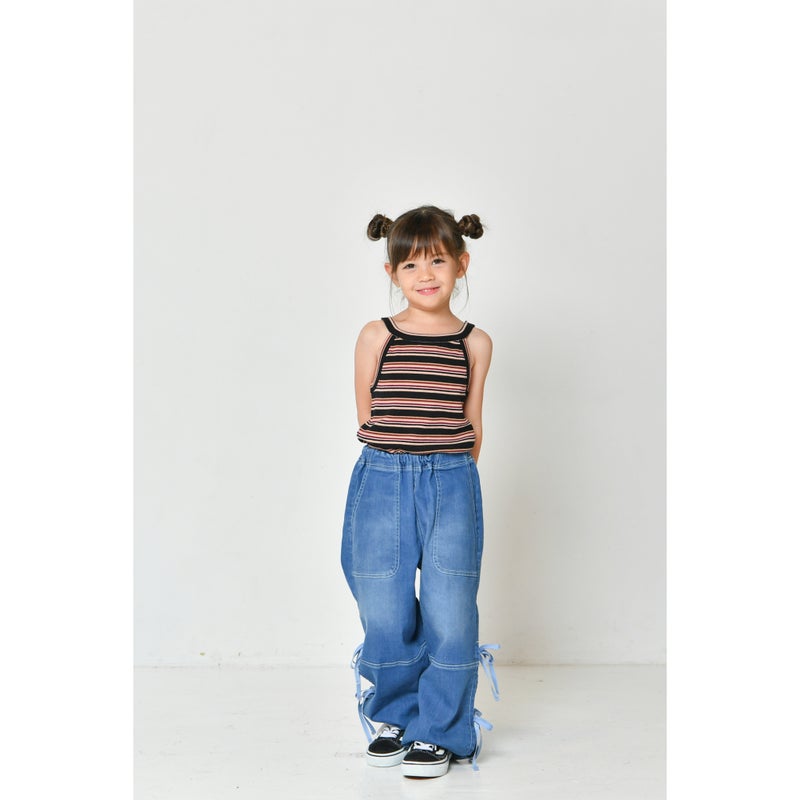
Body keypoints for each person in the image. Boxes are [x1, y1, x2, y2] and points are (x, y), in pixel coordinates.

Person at [341, 205, 499, 779]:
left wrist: (449, 476)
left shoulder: (474, 342)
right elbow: (367, 412)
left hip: (451, 479)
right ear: (392, 273)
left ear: (462, 264)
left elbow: (472, 420)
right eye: (410, 264)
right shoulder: (376, 335)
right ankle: (396, 715)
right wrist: (399, 463)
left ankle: (442, 730)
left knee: (450, 608)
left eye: (437, 261)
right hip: (383, 476)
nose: (425, 274)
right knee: (382, 601)